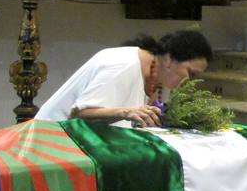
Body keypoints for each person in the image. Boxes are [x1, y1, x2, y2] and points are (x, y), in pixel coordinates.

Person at [35, 29, 213, 125]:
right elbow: (81, 113)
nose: (190, 81)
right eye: (191, 73)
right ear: (170, 59)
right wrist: (126, 112)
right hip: (51, 146)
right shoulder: (122, 63)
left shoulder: (159, 81)